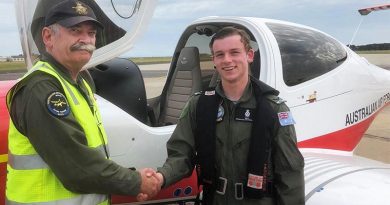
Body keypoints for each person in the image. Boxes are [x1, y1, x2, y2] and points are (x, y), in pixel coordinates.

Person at [6, 0, 159, 204]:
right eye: (75, 30)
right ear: (48, 37)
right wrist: (136, 182)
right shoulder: (42, 88)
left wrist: (129, 177)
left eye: (91, 33)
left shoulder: (80, 82)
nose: (86, 39)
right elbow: (77, 167)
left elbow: (91, 156)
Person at [155, 27, 305, 204]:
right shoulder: (199, 105)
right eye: (220, 54)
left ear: (249, 55)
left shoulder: (274, 109)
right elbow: (180, 155)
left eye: (234, 52)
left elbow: (290, 173)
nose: (227, 60)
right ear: (214, 61)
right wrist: (160, 178)